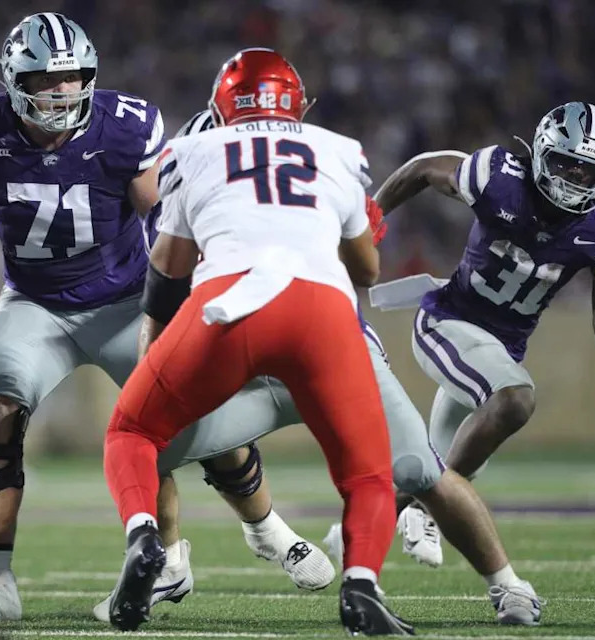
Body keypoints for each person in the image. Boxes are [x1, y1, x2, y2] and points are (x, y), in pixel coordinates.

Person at [0, 13, 331, 623]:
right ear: (17, 81)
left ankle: (267, 528)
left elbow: (160, 218)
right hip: (35, 304)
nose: (64, 92)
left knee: (195, 411)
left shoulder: (123, 128)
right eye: (48, 80)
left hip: (126, 300)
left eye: (75, 78)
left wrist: (194, 282)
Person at [100, 108, 543, 627]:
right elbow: (364, 263)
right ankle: (180, 566)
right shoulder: (308, 173)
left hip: (272, 358)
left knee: (420, 469)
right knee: (404, 471)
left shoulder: (210, 185)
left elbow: (169, 307)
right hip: (309, 358)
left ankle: (506, 583)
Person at [101, 48, 412, 635]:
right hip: (320, 309)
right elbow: (367, 272)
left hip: (228, 303)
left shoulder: (193, 151)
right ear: (299, 105)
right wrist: (353, 226)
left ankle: (147, 538)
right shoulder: (337, 151)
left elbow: (166, 272)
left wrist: (156, 352)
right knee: (368, 474)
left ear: (221, 109)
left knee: (131, 430)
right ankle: (363, 585)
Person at [371, 100, 595, 608]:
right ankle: (452, 539)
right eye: (566, 163)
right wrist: (368, 222)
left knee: (438, 467)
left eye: (591, 170)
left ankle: (359, 529)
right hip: (448, 322)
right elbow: (425, 166)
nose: (577, 178)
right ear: (539, 153)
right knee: (514, 400)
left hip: (501, 347)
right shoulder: (500, 176)